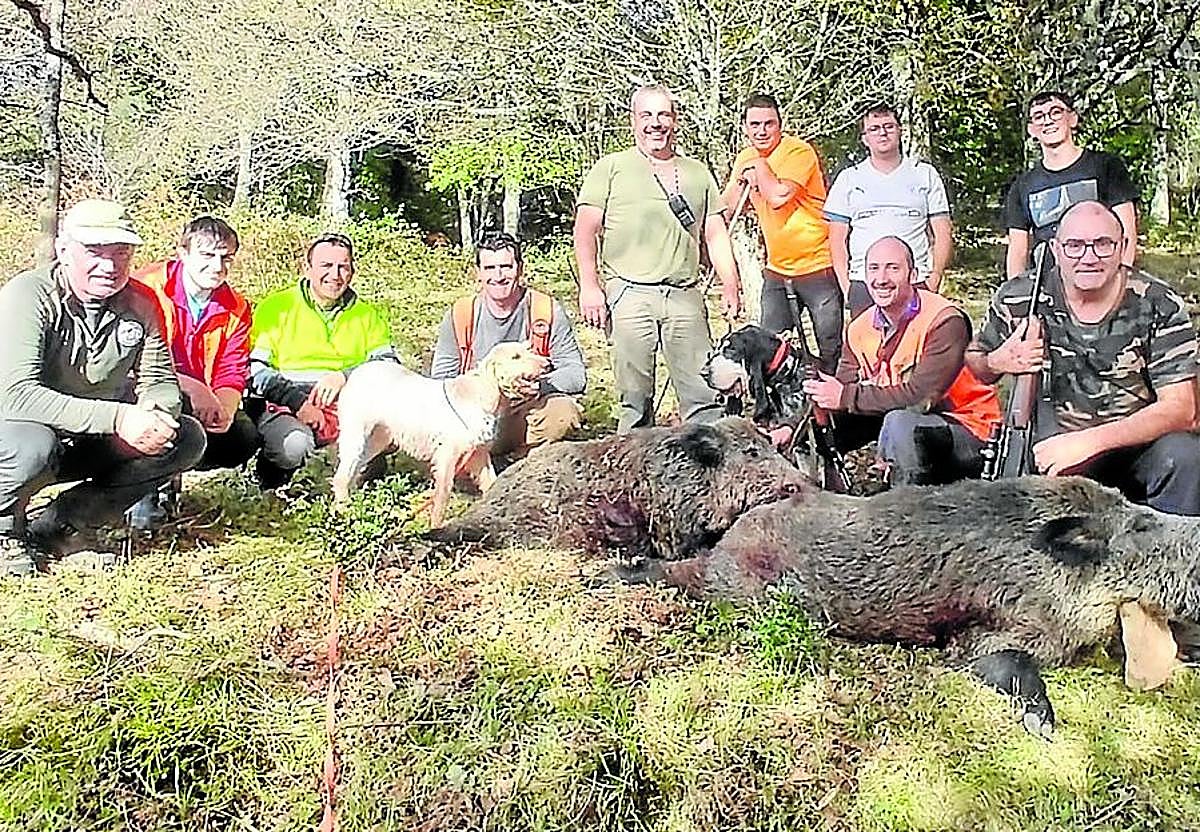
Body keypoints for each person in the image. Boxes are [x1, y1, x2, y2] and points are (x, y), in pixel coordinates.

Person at [0, 199, 206, 574]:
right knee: (31, 447)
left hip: (89, 435)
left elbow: (160, 380)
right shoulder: (27, 296)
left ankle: (60, 526)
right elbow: (16, 394)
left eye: (121, 253)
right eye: (95, 252)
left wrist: (157, 417)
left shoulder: (143, 303)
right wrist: (119, 418)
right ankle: (4, 532)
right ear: (64, 249)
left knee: (185, 437)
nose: (109, 265)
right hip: (22, 431)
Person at [967, 200, 1200, 515]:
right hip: (1047, 451)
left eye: (1102, 244)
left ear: (1123, 246)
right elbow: (976, 361)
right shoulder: (1018, 297)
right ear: (1056, 248)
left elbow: (1181, 409)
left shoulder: (1159, 303)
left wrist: (1089, 442)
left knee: (1185, 455)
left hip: (1134, 451)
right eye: (1075, 246)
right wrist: (998, 360)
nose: (1088, 258)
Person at [574, 84, 743, 433]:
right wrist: (590, 287)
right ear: (633, 121)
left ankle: (706, 476)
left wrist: (731, 285)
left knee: (704, 393)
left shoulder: (697, 173)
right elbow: (585, 229)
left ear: (675, 121)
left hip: (685, 294)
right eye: (647, 115)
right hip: (630, 292)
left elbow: (714, 234)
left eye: (664, 114)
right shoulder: (611, 168)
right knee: (634, 399)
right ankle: (631, 479)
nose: (656, 123)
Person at [802, 236, 1000, 485]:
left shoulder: (945, 322)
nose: (881, 279)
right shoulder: (859, 327)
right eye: (873, 268)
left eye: (893, 268)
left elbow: (920, 399)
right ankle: (830, 499)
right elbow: (842, 388)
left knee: (900, 424)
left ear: (913, 274)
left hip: (969, 431)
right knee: (817, 429)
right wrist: (793, 425)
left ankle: (906, 514)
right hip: (902, 420)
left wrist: (845, 396)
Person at [130, 217, 259, 523]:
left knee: (243, 437)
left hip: (200, 399)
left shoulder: (236, 307)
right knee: (162, 411)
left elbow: (233, 366)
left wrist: (224, 407)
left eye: (225, 258)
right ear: (183, 253)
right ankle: (139, 498)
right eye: (207, 255)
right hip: (138, 390)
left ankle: (171, 473)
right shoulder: (146, 288)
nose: (217, 267)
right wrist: (192, 387)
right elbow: (130, 360)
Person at [246, 232, 397, 489]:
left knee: (392, 431)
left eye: (343, 267)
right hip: (286, 404)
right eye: (326, 266)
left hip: (349, 404)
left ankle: (347, 479)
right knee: (295, 446)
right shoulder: (276, 307)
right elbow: (256, 371)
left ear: (352, 272)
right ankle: (273, 475)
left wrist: (344, 376)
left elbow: (388, 365)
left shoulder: (367, 315)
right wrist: (300, 403)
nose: (335, 275)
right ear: (307, 268)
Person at [431, 232, 585, 458]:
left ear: (520, 269)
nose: (499, 276)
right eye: (490, 268)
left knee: (563, 413)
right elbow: (441, 383)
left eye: (506, 266)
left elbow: (576, 374)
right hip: (475, 413)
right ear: (478, 273)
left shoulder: (545, 310)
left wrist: (539, 387)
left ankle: (524, 462)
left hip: (526, 411)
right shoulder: (461, 315)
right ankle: (475, 463)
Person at [721, 93, 839, 371]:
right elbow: (727, 208)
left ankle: (834, 407)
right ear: (745, 128)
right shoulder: (745, 158)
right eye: (755, 124)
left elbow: (778, 196)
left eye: (769, 124)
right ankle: (779, 408)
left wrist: (760, 167)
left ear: (780, 125)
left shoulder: (799, 152)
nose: (762, 131)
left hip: (817, 266)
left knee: (829, 345)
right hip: (777, 269)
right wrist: (741, 179)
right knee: (770, 346)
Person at [824, 102, 953, 318]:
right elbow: (836, 240)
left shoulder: (924, 174)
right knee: (868, 349)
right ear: (865, 138)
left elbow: (942, 232)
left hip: (915, 281)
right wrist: (848, 287)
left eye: (889, 126)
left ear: (900, 131)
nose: (882, 133)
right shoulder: (849, 179)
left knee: (916, 349)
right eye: (874, 129)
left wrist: (934, 278)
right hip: (865, 284)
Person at [1003, 91, 1138, 278]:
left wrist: (1121, 280)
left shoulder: (1106, 167)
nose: (1048, 121)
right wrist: (1015, 294)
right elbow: (1017, 250)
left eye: (1056, 112)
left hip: (1102, 280)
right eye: (1039, 116)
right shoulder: (1022, 186)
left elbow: (1127, 232)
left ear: (1072, 119)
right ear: (1031, 129)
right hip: (1049, 290)